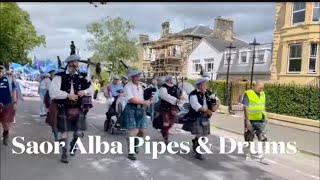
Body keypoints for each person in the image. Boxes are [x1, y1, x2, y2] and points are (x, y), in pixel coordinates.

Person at [49, 54, 93, 163]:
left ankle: (73, 144)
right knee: (64, 132)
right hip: (63, 106)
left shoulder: (82, 77)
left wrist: (85, 91)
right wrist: (67, 95)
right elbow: (52, 92)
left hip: (78, 107)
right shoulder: (60, 76)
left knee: (78, 132)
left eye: (77, 62)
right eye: (73, 62)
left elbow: (91, 88)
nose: (75, 64)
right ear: (69, 64)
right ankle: (64, 154)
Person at [182, 77, 219, 160]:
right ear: (199, 86)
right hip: (197, 116)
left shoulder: (208, 93)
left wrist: (215, 106)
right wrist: (207, 110)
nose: (205, 86)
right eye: (203, 85)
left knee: (204, 135)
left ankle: (195, 142)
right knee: (199, 134)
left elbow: (216, 101)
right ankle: (198, 153)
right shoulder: (193, 94)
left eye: (205, 84)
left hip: (206, 117)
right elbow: (196, 106)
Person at [121, 69, 152, 160]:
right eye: (136, 76)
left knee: (142, 131)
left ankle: (135, 144)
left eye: (139, 76)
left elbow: (146, 97)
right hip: (130, 108)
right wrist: (144, 102)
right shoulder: (127, 86)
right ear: (132, 77)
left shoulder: (141, 86)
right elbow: (131, 99)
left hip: (140, 109)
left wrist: (150, 97)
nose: (138, 78)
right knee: (133, 131)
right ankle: (131, 152)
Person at [242, 81, 267, 161]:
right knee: (249, 137)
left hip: (261, 119)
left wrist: (265, 117)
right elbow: (245, 107)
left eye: (262, 88)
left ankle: (261, 154)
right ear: (255, 86)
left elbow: (262, 106)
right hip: (251, 120)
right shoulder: (248, 93)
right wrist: (247, 121)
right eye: (260, 88)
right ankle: (248, 153)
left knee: (262, 137)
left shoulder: (263, 94)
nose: (261, 89)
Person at [159, 75, 182, 144]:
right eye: (171, 79)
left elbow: (179, 94)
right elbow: (165, 96)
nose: (172, 80)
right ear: (168, 80)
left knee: (171, 123)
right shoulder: (163, 87)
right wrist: (176, 100)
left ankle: (164, 131)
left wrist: (180, 97)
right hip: (165, 107)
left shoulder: (175, 87)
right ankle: (166, 138)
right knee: (166, 123)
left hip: (173, 108)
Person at [0, 65, 17, 146]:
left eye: (1, 69)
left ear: (4, 71)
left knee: (5, 123)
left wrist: (15, 103)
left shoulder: (9, 80)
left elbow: (14, 92)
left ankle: (5, 133)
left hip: (7, 104)